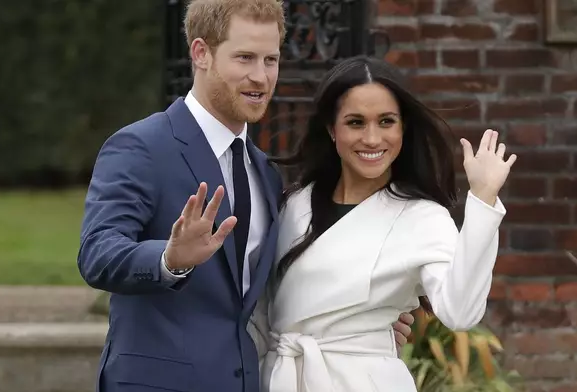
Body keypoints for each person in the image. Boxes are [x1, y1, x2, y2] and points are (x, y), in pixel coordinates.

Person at [77, 1, 413, 391]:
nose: (260, 77)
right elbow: (96, 254)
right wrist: (169, 259)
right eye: (244, 58)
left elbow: (270, 292)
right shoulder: (140, 147)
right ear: (201, 53)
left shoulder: (265, 173)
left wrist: (362, 319)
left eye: (270, 60)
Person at [251, 56, 517, 391]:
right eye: (356, 122)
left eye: (387, 121)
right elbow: (258, 308)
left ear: (403, 127)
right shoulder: (293, 204)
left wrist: (483, 200)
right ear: (332, 129)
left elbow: (460, 312)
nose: (373, 139)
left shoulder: (422, 217)